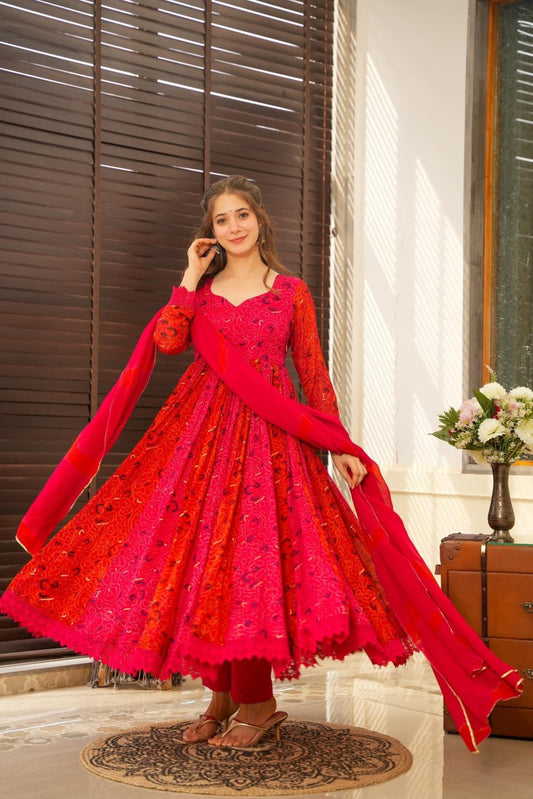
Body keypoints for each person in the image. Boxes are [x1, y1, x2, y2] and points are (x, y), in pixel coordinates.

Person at [0, 176, 523, 752]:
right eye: (221, 220)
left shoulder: (291, 292)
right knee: (206, 565)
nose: (234, 227)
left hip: (270, 441)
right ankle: (222, 699)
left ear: (260, 220)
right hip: (199, 439)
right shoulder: (201, 293)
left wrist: (339, 445)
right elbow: (169, 341)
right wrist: (189, 277)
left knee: (251, 565)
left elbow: (313, 373)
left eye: (242, 215)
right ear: (210, 233)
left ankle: (258, 705)